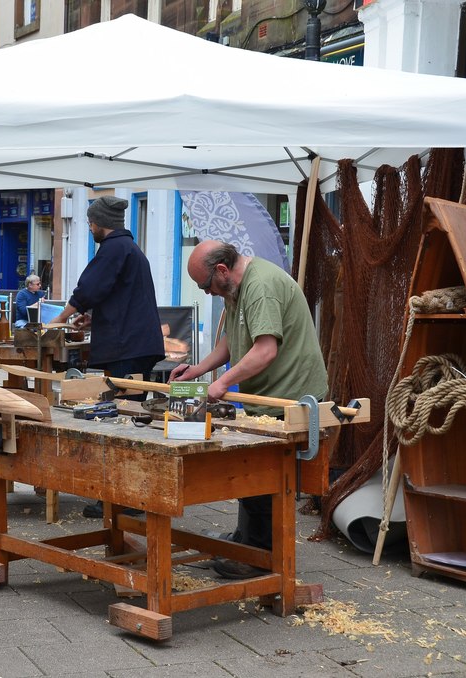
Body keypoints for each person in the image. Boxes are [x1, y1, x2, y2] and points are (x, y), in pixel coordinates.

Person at [169, 240, 328, 579]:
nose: (206, 292)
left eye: (205, 285)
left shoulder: (261, 287)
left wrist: (223, 383)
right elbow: (231, 340)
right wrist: (198, 370)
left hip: (289, 397)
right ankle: (246, 541)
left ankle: (260, 555)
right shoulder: (235, 288)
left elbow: (265, 350)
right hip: (267, 395)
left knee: (265, 474)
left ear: (222, 270)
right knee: (251, 472)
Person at [52, 195, 164, 518]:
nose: (89, 228)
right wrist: (94, 318)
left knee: (125, 421)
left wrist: (61, 318)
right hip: (134, 345)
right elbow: (116, 296)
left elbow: (90, 287)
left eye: (90, 223)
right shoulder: (130, 250)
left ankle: (125, 501)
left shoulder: (114, 248)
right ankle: (122, 497)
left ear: (99, 224)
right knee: (127, 417)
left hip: (128, 349)